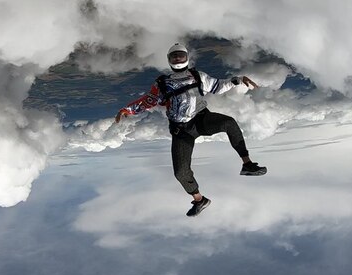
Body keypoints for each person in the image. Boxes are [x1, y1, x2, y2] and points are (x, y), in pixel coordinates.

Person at [114, 43, 267, 217]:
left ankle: (247, 164)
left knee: (228, 123)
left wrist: (237, 80)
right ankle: (199, 200)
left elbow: (217, 85)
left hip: (201, 119)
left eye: (180, 55)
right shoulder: (162, 83)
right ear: (169, 60)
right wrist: (127, 110)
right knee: (180, 172)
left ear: (186, 57)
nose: (178, 59)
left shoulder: (197, 76)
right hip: (181, 130)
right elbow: (149, 100)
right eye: (174, 57)